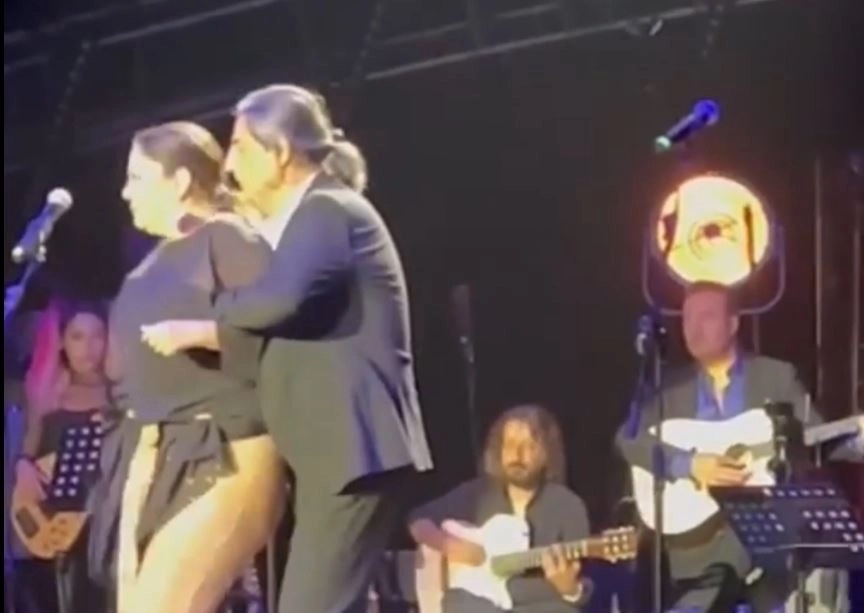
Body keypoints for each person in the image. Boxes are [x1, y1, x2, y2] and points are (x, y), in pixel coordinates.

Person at [142, 84, 433, 612]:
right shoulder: (311, 217)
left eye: (238, 146)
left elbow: (282, 300)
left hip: (354, 448)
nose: (229, 162)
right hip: (338, 456)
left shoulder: (328, 210)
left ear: (278, 152)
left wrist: (205, 314)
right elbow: (289, 326)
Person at [88, 121, 285, 613]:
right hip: (157, 456)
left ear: (178, 182)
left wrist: (198, 333)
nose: (125, 192)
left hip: (221, 452)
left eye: (137, 178)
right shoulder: (156, 258)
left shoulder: (226, 238)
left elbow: (284, 333)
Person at [616, 281, 864, 612]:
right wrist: (689, 465)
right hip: (698, 560)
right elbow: (628, 439)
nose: (694, 329)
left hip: (770, 552)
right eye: (687, 319)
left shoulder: (776, 376)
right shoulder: (668, 392)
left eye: (706, 317)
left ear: (733, 323)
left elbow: (816, 439)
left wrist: (854, 439)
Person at [408, 404, 593, 612]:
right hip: (474, 604)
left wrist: (569, 588)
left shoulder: (568, 506)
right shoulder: (476, 493)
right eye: (510, 445)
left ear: (547, 454)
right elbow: (417, 520)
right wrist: (450, 545)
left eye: (529, 446)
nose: (517, 455)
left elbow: (584, 589)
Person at [12, 298, 109, 612]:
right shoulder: (47, 393)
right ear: (62, 343)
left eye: (97, 336)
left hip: (106, 526)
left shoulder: (121, 395)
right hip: (57, 527)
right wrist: (23, 468)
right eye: (77, 337)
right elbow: (27, 453)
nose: (88, 348)